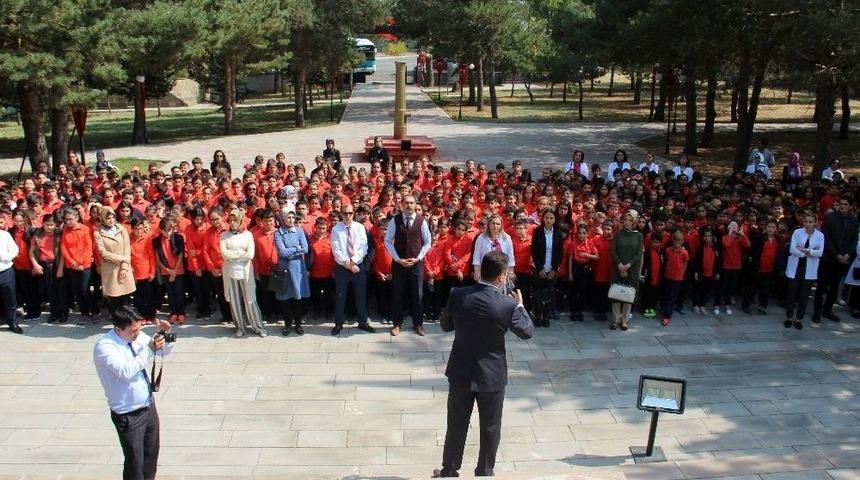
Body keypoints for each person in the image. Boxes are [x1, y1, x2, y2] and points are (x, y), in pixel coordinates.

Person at [434, 251, 533, 478]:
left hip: (461, 371)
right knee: (490, 427)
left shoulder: (457, 294)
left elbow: (445, 326)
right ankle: (484, 471)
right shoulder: (507, 305)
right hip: (492, 375)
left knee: (456, 424)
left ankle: (449, 469)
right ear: (501, 277)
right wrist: (520, 306)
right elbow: (527, 331)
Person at [94, 305, 174, 480]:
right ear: (118, 328)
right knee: (135, 462)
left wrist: (165, 337)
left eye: (139, 329)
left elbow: (161, 351)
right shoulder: (105, 347)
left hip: (147, 405)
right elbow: (126, 371)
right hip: (128, 413)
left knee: (151, 456)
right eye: (133, 331)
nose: (137, 334)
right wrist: (150, 349)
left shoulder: (138, 337)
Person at [384, 195, 432, 336]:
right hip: (399, 264)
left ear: (415, 204)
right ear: (402, 204)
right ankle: (397, 324)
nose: (409, 205)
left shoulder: (421, 221)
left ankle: (418, 324)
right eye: (406, 203)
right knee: (398, 294)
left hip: (416, 265)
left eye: (411, 203)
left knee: (417, 295)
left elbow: (428, 242)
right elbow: (387, 241)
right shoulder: (395, 220)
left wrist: (418, 258)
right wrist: (398, 259)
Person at [220, 211, 267, 337]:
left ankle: (258, 326)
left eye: (235, 220)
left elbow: (250, 255)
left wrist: (233, 255)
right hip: (230, 272)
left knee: (250, 299)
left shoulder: (248, 235)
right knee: (234, 301)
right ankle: (240, 327)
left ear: (241, 220)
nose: (232, 223)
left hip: (245, 272)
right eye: (230, 220)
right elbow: (224, 254)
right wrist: (241, 254)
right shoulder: (224, 235)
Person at [330, 204, 375, 335]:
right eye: (345, 213)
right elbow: (336, 250)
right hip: (342, 267)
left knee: (361, 295)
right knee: (340, 296)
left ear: (353, 213)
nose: (348, 215)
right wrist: (348, 264)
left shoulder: (360, 227)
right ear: (341, 214)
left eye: (350, 213)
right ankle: (338, 323)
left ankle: (362, 322)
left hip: (358, 265)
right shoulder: (335, 229)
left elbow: (363, 247)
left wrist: (354, 261)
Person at [814, 197, 858, 322]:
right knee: (822, 286)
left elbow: (854, 240)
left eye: (845, 204)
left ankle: (827, 310)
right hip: (829, 258)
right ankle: (817, 312)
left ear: (850, 206)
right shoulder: (830, 218)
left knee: (834, 287)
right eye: (841, 204)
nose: (843, 206)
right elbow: (826, 238)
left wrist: (847, 255)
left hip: (843, 259)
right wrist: (836, 254)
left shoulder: (854, 221)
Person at [785, 212, 824, 329]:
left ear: (815, 222)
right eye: (806, 221)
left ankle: (799, 318)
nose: (807, 224)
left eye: (810, 222)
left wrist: (805, 250)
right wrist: (809, 252)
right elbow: (792, 249)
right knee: (791, 293)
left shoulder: (820, 235)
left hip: (809, 269)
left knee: (804, 295)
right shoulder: (797, 232)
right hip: (795, 267)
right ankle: (789, 317)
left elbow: (820, 253)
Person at [274, 210, 310, 335]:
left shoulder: (299, 231)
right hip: (285, 269)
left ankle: (298, 324)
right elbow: (282, 252)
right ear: (283, 218)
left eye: (292, 217)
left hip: (298, 268)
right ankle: (288, 325)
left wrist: (291, 251)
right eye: (287, 217)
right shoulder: (278, 233)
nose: (290, 219)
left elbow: (305, 248)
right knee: (286, 299)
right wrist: (296, 248)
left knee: (298, 298)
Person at [94, 207, 136, 313]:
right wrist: (122, 259)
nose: (111, 220)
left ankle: (127, 322)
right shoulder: (98, 233)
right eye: (108, 218)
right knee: (113, 297)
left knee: (125, 296)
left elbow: (127, 248)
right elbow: (103, 253)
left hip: (124, 267)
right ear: (103, 219)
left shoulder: (122, 229)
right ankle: (117, 321)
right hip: (110, 269)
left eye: (113, 217)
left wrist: (124, 266)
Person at [610, 210, 643, 331]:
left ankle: (624, 321)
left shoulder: (639, 235)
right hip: (617, 268)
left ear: (634, 221)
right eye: (625, 220)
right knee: (616, 294)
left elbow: (639, 254)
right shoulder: (618, 234)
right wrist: (620, 265)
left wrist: (628, 265)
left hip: (631, 269)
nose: (627, 222)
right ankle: (615, 319)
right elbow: (613, 251)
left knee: (628, 295)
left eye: (630, 220)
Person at [530, 208, 563, 327]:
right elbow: (534, 251)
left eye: (551, 218)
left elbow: (560, 253)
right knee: (538, 293)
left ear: (555, 220)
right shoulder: (537, 231)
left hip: (552, 269)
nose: (548, 220)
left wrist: (554, 269)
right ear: (543, 218)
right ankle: (538, 315)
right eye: (547, 218)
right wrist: (540, 269)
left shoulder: (558, 233)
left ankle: (546, 315)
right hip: (539, 268)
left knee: (549, 293)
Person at [0, 217, 23, 334]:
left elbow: (15, 250)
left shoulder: (5, 235)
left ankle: (12, 322)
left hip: (5, 271)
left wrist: (5, 257)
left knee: (10, 298)